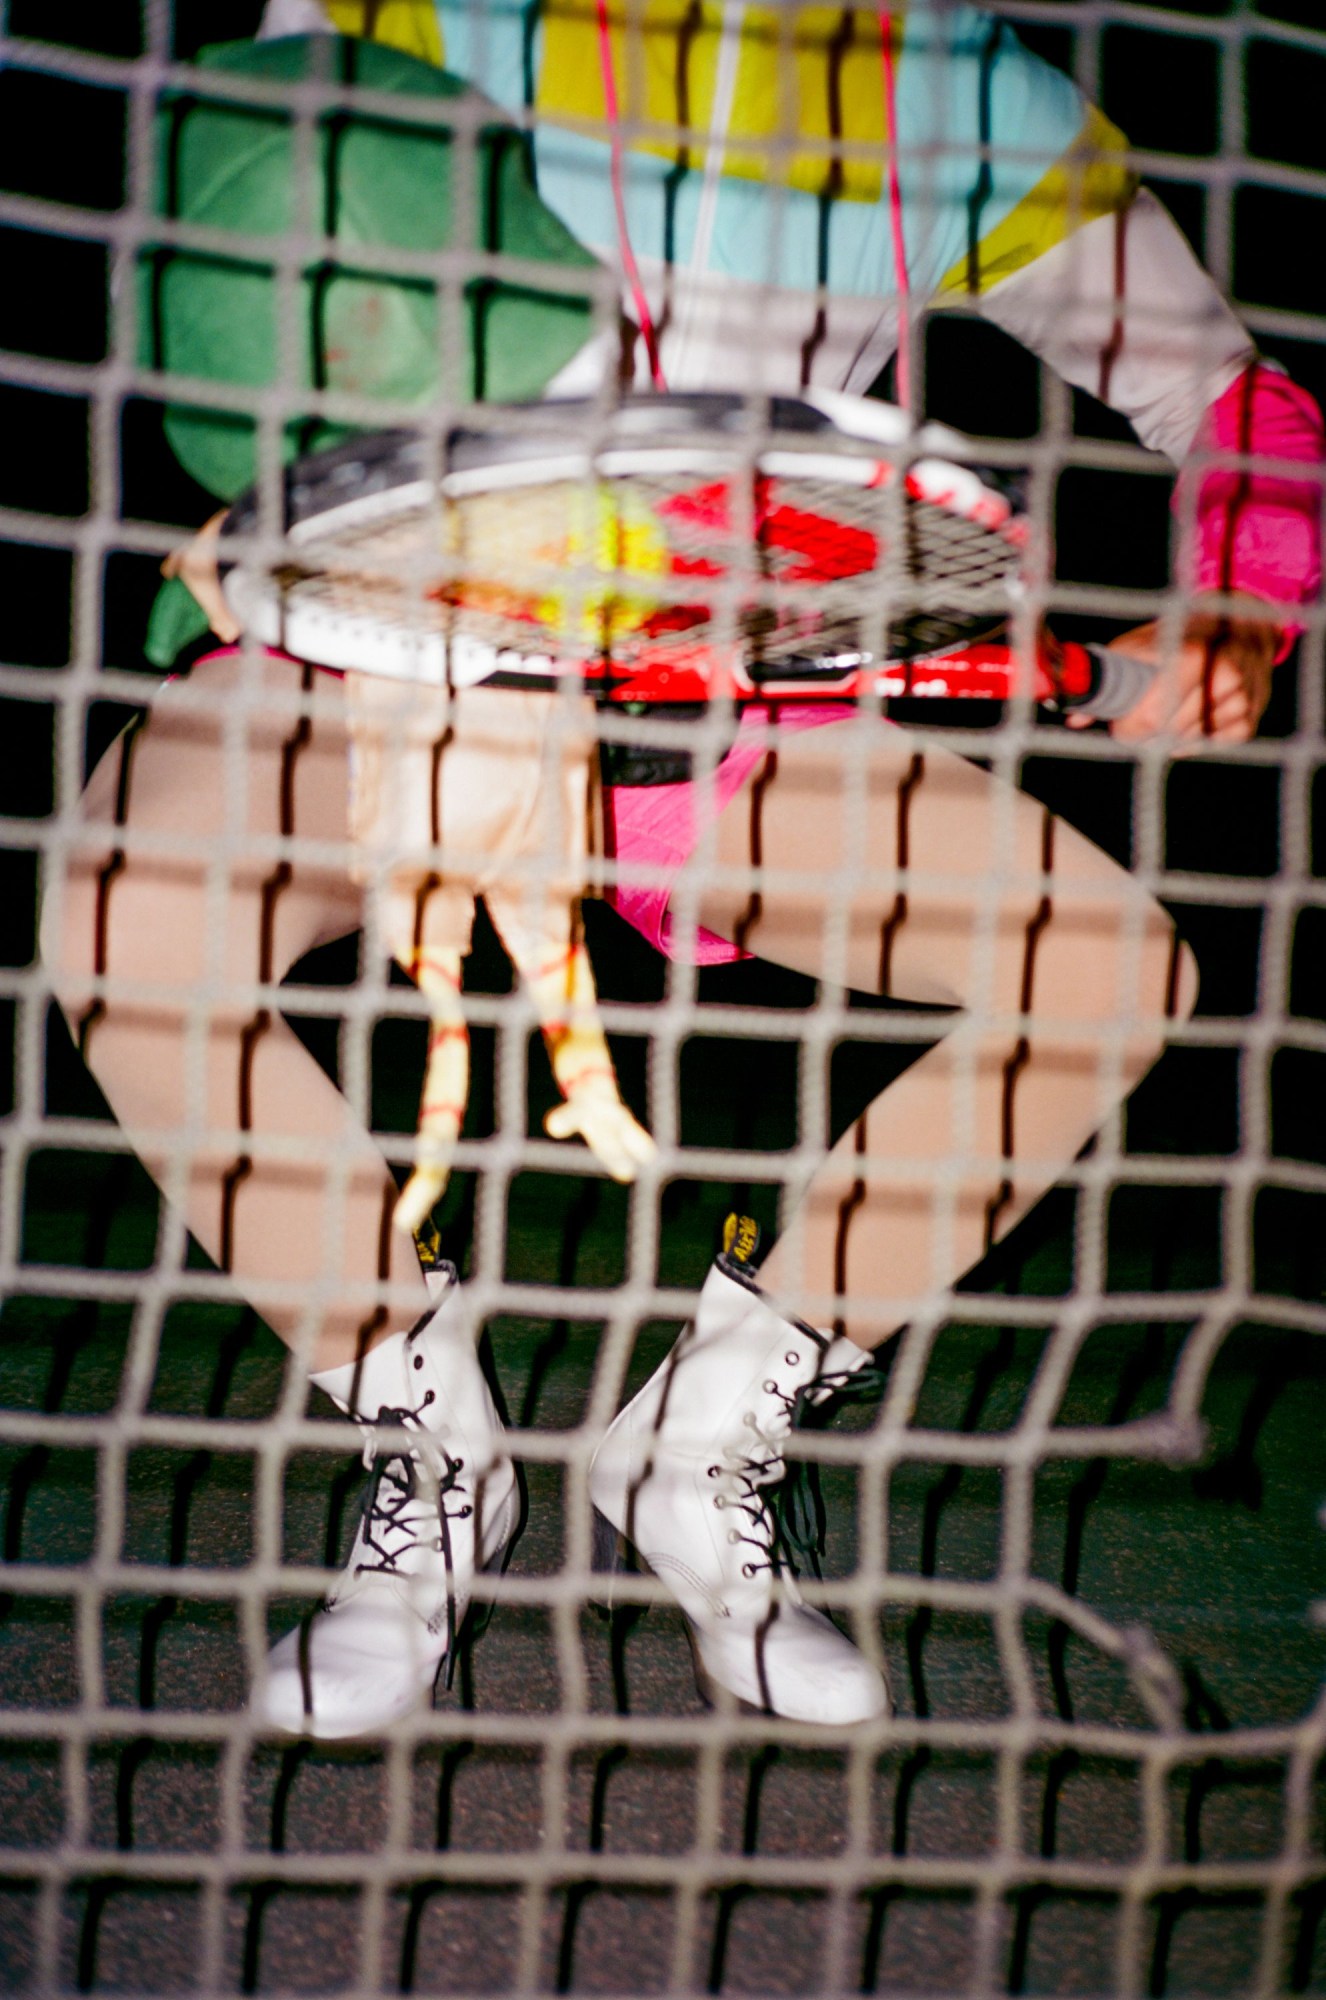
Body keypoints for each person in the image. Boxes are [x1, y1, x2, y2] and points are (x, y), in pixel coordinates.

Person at [41, 6, 1321, 1735]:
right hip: (382, 664)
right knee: (128, 915)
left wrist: (1241, 592)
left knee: (1100, 970)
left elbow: (1226, 384)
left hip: (721, 698)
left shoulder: (968, 89)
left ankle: (701, 1437)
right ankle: (427, 1437)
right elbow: (238, 257)